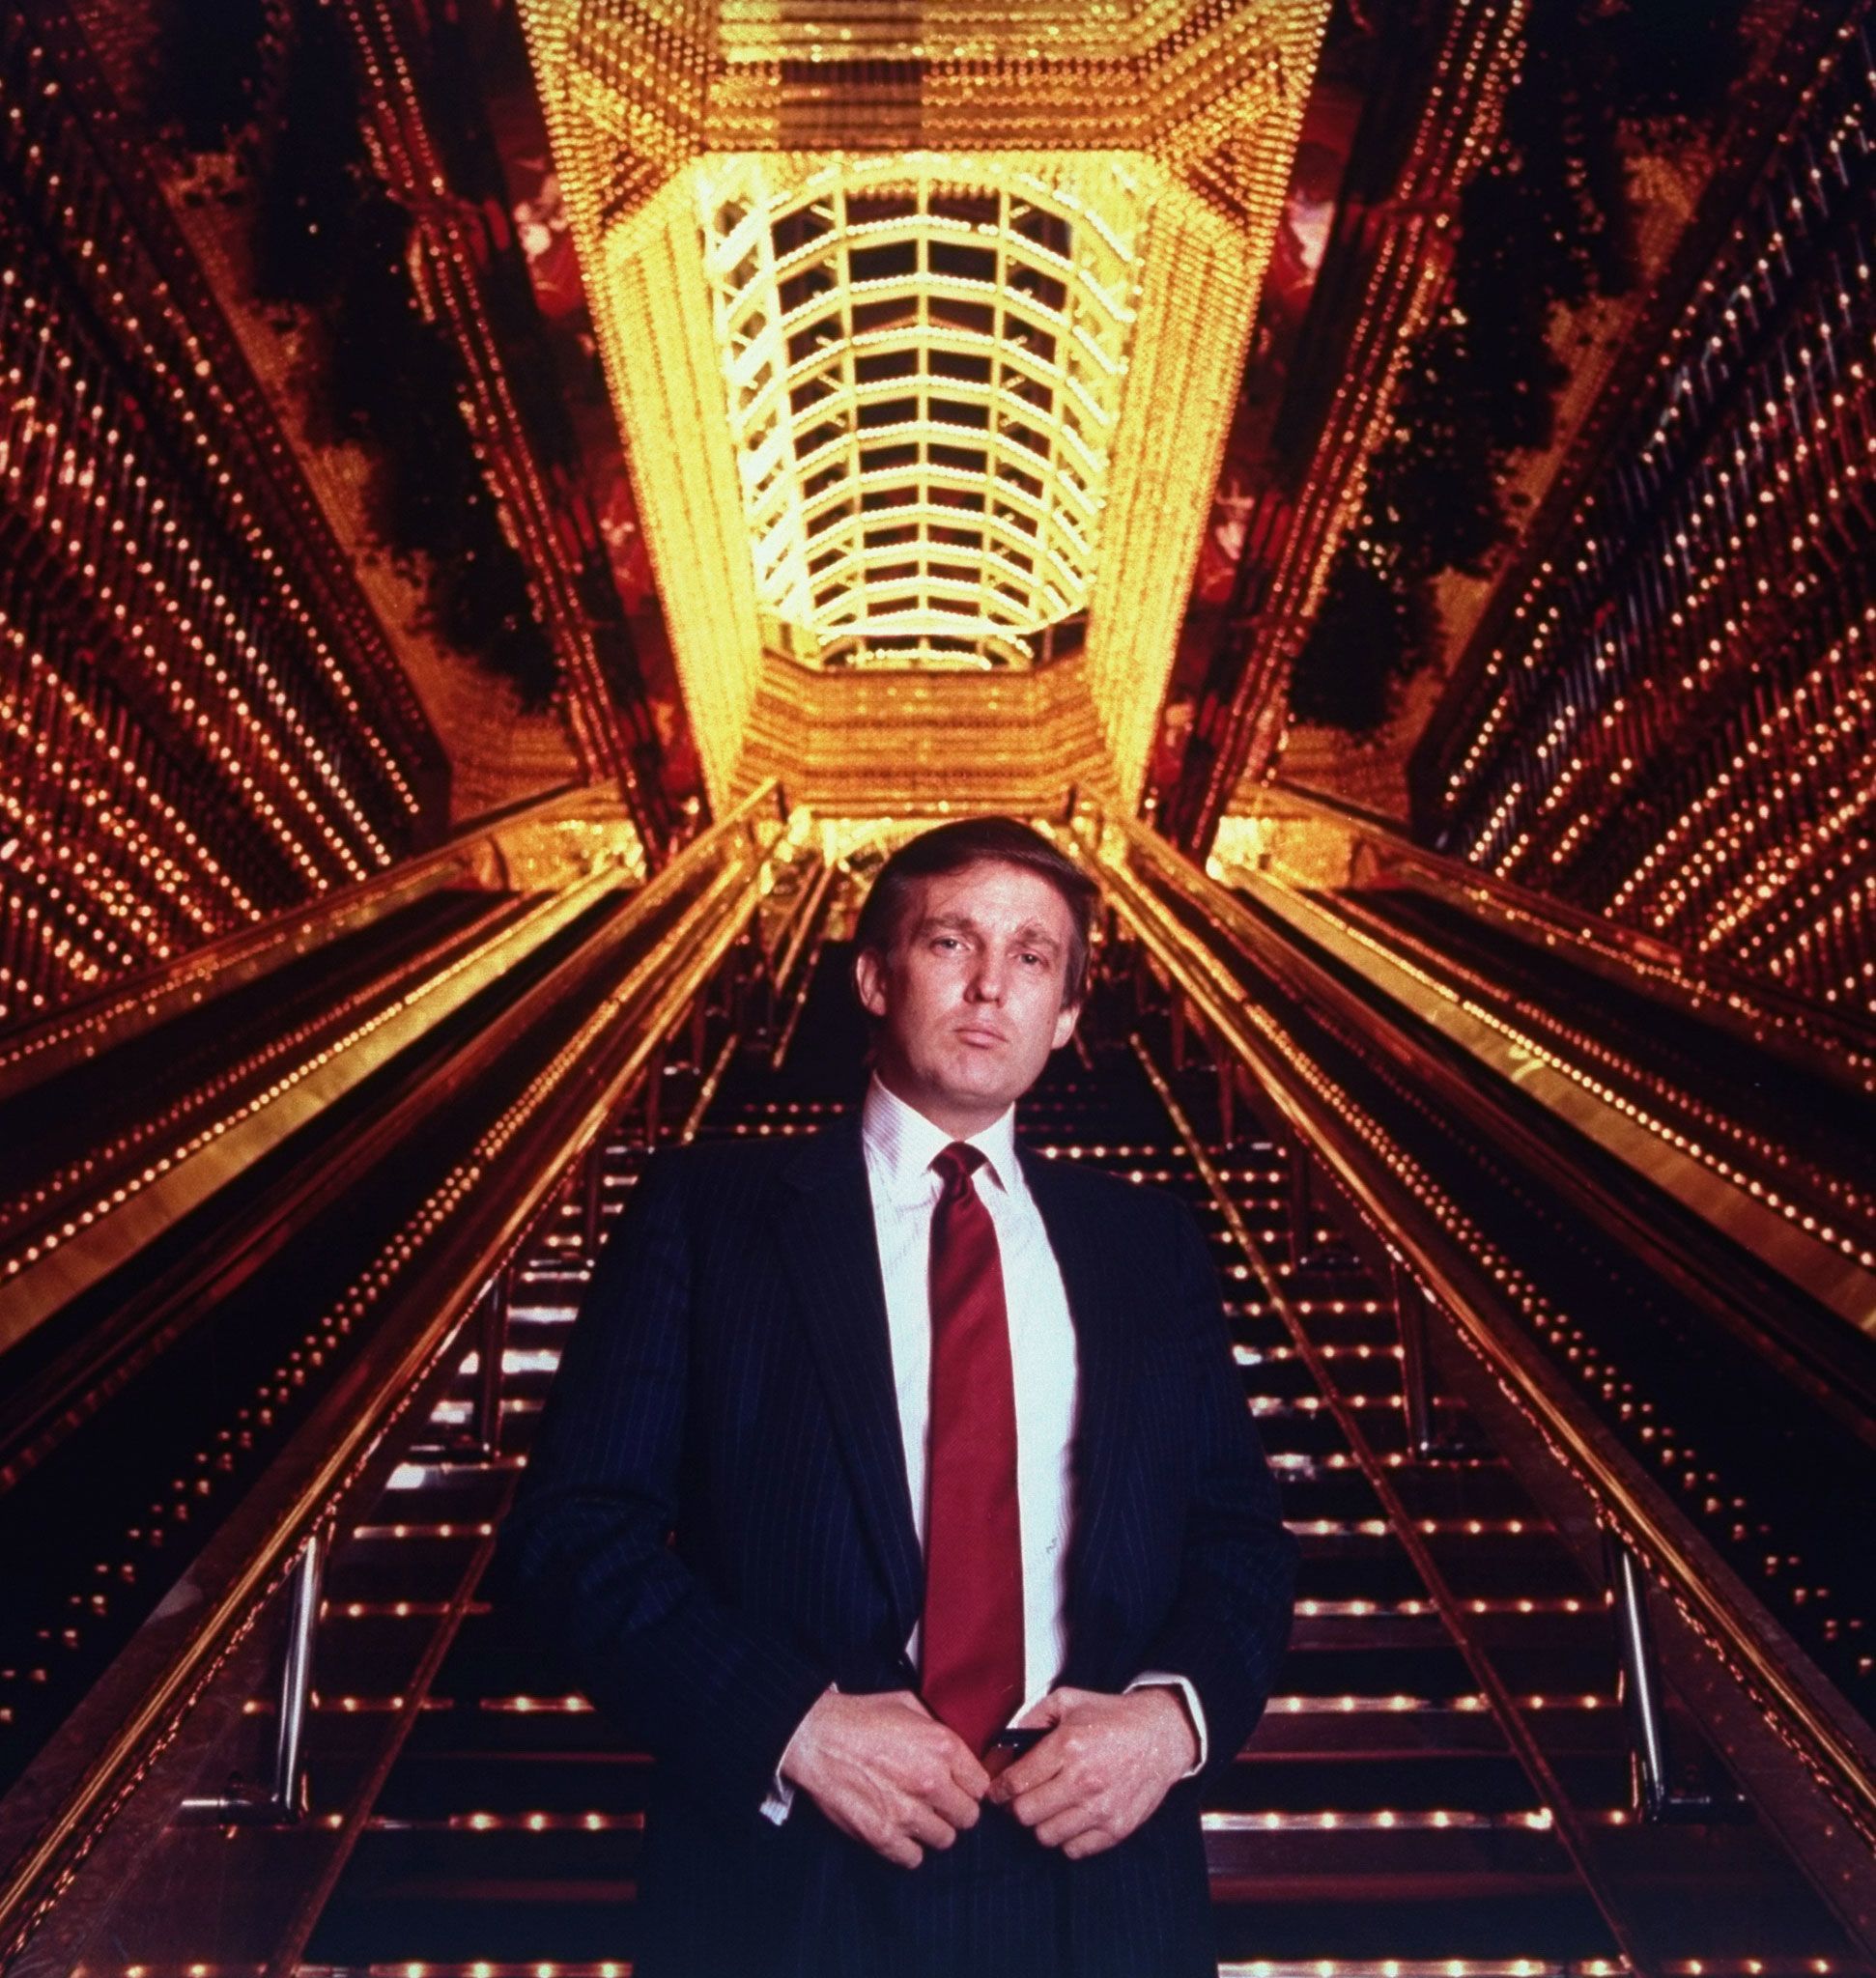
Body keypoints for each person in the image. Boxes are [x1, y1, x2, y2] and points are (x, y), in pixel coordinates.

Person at [501, 817, 1297, 1978]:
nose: (991, 985)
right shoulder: (705, 1211)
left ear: (1066, 1013)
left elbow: (1239, 1539)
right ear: (874, 977)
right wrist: (791, 1723)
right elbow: (571, 1534)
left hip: (1099, 1880)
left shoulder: (1147, 1242)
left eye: (1032, 956)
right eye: (951, 942)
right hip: (792, 1880)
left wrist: (1174, 1720)